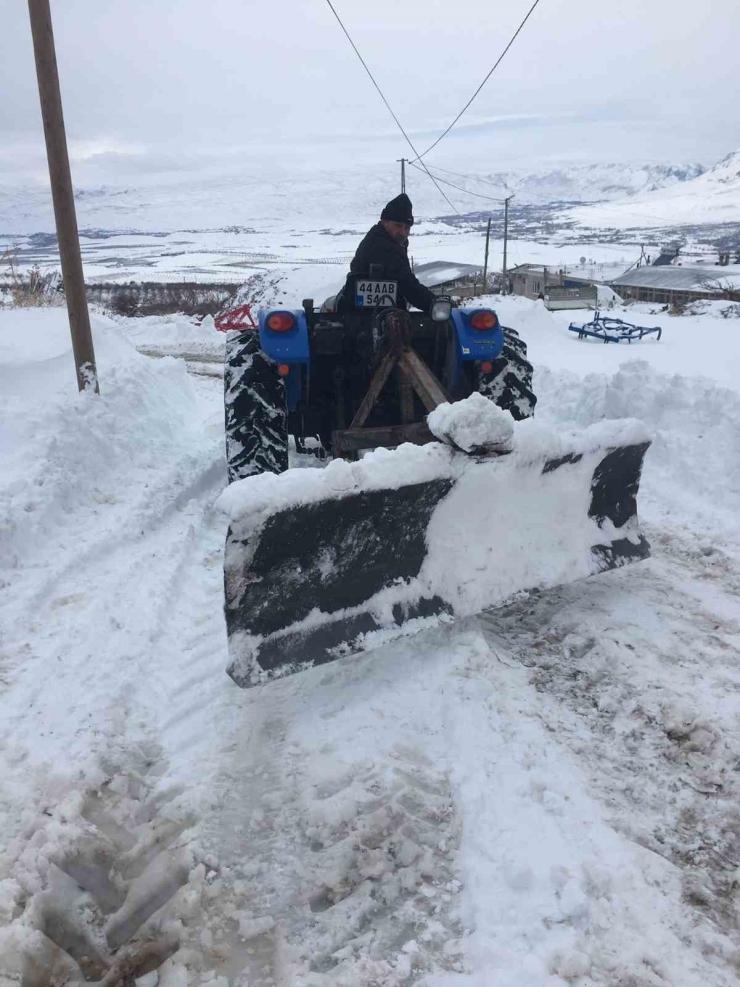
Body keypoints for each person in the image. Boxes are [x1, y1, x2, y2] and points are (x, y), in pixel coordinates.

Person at [337, 193, 436, 314]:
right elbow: (408, 285)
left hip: (375, 313)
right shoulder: (381, 245)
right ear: (384, 222)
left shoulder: (385, 239)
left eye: (407, 228)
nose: (403, 232)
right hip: (365, 317)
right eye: (398, 225)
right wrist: (434, 303)